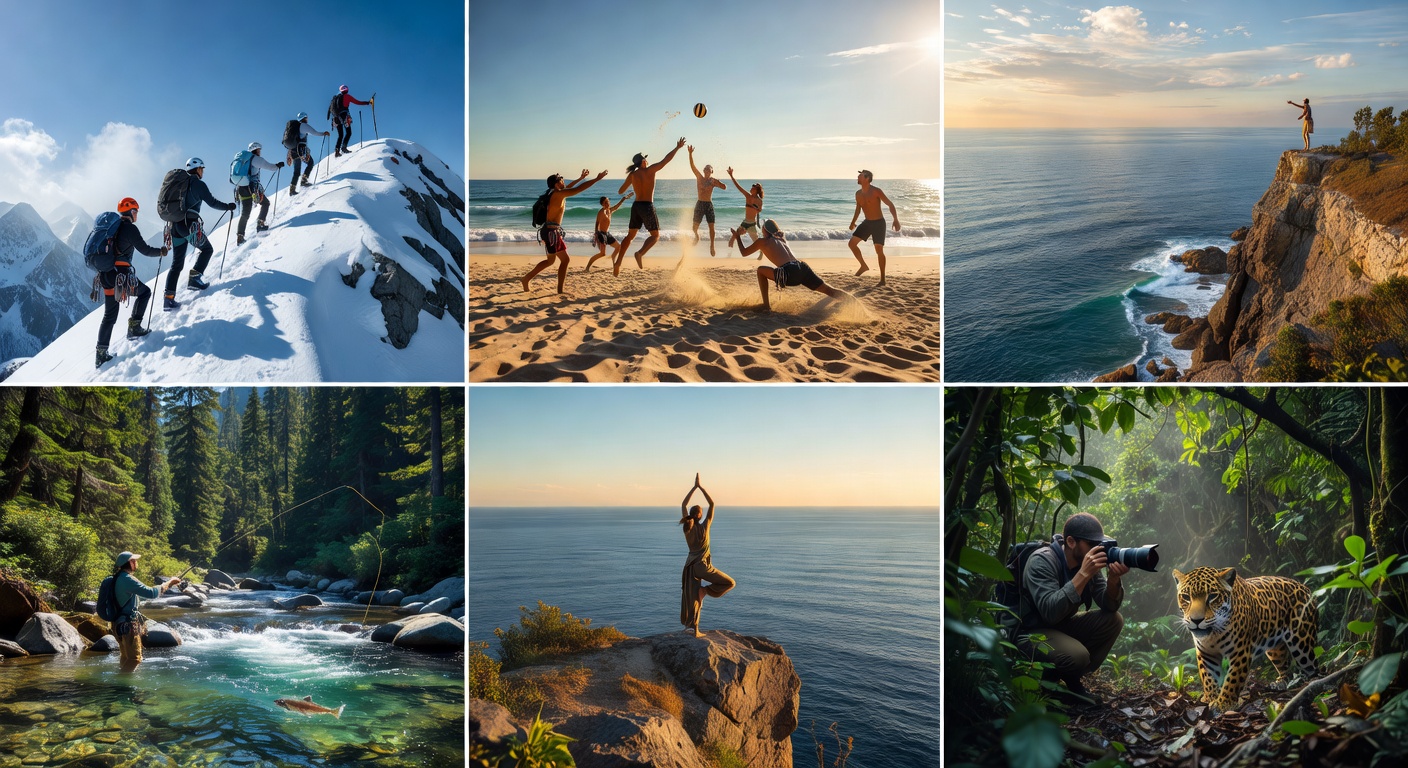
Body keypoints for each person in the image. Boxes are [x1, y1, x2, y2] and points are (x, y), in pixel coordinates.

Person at [1010, 513, 1128, 701]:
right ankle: (1048, 683)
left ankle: (1070, 678)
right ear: (1071, 541)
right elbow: (1050, 612)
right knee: (1077, 655)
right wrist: (1083, 574)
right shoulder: (1041, 561)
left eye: (1100, 545)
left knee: (1114, 620)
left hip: (1059, 627)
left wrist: (1113, 580)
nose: (1097, 550)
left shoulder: (1086, 563)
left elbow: (1109, 606)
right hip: (1029, 632)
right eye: (1092, 544)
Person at [95, 198, 168, 368]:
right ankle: (134, 327)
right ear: (132, 212)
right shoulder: (130, 229)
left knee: (109, 315)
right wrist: (161, 252)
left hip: (106, 276)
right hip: (121, 276)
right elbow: (145, 249)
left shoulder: (112, 229)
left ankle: (101, 354)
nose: (137, 215)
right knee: (145, 292)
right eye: (136, 211)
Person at [733, 219, 854, 312]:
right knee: (828, 290)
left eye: (763, 227)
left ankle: (766, 305)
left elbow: (744, 253)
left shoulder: (762, 241)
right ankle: (852, 301)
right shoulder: (781, 240)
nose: (762, 229)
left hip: (789, 272)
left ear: (765, 230)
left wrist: (737, 237)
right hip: (802, 267)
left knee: (760, 270)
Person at [164, 158, 236, 310]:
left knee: (176, 263)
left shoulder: (179, 184)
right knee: (207, 249)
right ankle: (195, 279)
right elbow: (212, 202)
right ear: (197, 169)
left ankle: (168, 299)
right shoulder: (197, 184)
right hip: (189, 226)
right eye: (202, 169)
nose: (202, 171)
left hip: (175, 226)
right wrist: (228, 206)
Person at [521, 169, 608, 293]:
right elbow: (578, 189)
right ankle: (529, 280)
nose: (563, 180)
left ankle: (536, 282)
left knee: (558, 260)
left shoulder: (554, 193)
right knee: (555, 261)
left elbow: (570, 187)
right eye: (561, 179)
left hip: (551, 232)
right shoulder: (558, 194)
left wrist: (580, 178)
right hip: (551, 233)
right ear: (557, 184)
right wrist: (597, 179)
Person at [679, 473, 734, 638]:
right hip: (702, 567)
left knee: (693, 597)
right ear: (701, 515)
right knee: (729, 582)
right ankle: (706, 591)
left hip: (690, 567)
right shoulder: (705, 526)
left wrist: (692, 488)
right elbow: (712, 503)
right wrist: (700, 487)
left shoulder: (687, 528)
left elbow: (683, 504)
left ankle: (695, 629)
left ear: (690, 514)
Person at [616, 137, 686, 267]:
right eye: (645, 159)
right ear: (643, 161)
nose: (647, 161)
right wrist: (677, 148)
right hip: (647, 206)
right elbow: (665, 160)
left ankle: (619, 261)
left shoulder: (632, 175)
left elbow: (620, 191)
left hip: (636, 206)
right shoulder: (650, 170)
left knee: (630, 236)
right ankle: (640, 253)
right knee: (655, 236)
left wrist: (632, 186)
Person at [110, 550, 180, 672]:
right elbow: (151, 593)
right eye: (135, 561)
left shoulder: (116, 578)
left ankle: (121, 684)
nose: (136, 563)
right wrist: (170, 582)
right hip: (128, 625)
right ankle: (121, 685)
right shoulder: (127, 579)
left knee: (126, 656)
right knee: (135, 659)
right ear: (131, 563)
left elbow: (136, 596)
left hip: (117, 623)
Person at [847, 170, 902, 285]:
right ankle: (863, 265)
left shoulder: (876, 191)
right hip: (867, 223)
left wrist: (895, 219)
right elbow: (858, 209)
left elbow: (890, 204)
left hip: (878, 223)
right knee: (852, 244)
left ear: (867, 178)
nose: (858, 176)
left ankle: (882, 279)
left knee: (879, 250)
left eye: (860, 175)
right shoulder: (858, 194)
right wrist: (853, 222)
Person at [235, 142, 284, 246]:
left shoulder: (244, 160)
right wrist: (278, 166)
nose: (260, 152)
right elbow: (270, 167)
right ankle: (260, 224)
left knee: (245, 213)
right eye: (259, 150)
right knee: (265, 203)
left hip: (242, 188)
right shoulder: (256, 159)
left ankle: (240, 236)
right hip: (253, 189)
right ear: (256, 150)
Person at [688, 146, 727, 256]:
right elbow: (692, 166)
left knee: (711, 227)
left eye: (709, 170)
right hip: (700, 203)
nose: (706, 171)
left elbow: (724, 187)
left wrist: (717, 182)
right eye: (705, 169)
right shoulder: (699, 177)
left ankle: (712, 245)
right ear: (704, 171)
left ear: (711, 172)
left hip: (708, 204)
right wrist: (690, 153)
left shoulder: (713, 181)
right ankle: (697, 236)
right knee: (694, 227)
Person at [584, 192, 631, 273]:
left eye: (608, 201)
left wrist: (623, 199)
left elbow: (616, 207)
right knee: (602, 254)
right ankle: (587, 267)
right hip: (601, 234)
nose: (607, 203)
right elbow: (597, 223)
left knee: (618, 247)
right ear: (602, 204)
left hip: (607, 233)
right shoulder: (601, 212)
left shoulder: (609, 211)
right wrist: (596, 235)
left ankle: (613, 257)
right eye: (605, 202)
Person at [286, 112, 330, 196]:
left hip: (293, 151)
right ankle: (304, 180)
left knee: (296, 171)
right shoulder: (303, 125)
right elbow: (314, 132)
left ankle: (292, 189)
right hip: (301, 150)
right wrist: (323, 133)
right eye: (306, 118)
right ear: (305, 118)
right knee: (310, 163)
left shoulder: (295, 127)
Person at [724, 168, 764, 253]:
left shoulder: (759, 201)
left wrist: (755, 208)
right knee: (735, 235)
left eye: (752, 188)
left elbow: (759, 211)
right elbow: (738, 187)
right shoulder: (747, 196)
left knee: (756, 242)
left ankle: (762, 252)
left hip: (752, 224)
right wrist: (731, 176)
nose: (750, 189)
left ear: (756, 190)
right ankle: (729, 253)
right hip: (745, 222)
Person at [328, 85, 372, 157]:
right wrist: (368, 103)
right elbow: (358, 102)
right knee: (348, 132)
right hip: (344, 116)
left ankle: (337, 151)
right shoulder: (347, 96)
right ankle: (344, 148)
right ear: (347, 90)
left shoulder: (335, 98)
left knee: (340, 135)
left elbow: (330, 109)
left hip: (336, 118)